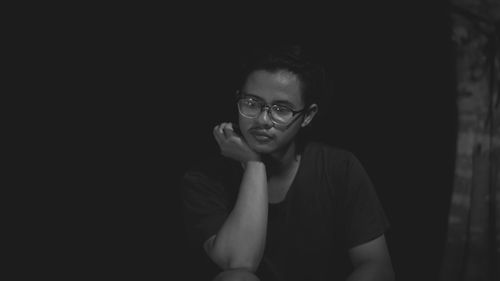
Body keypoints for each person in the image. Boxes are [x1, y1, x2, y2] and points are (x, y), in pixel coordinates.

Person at [180, 44, 395, 281]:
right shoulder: (204, 179)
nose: (262, 120)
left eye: (281, 109)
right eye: (251, 103)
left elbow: (377, 267)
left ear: (308, 116)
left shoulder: (338, 167)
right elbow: (240, 263)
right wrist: (254, 164)